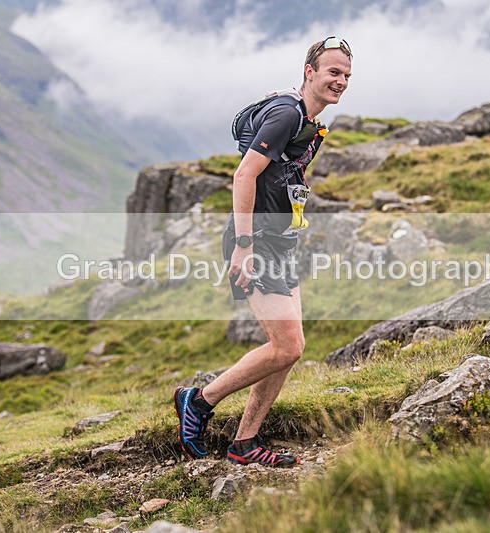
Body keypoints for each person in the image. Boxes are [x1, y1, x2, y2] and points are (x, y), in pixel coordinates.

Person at [173, 37, 353, 467]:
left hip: (280, 242)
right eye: (333, 72)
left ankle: (244, 443)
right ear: (309, 71)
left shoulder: (310, 121)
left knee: (290, 347)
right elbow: (244, 175)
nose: (340, 81)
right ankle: (198, 402)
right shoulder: (286, 113)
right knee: (287, 347)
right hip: (255, 243)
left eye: (346, 75)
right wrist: (244, 246)